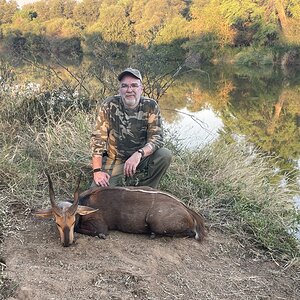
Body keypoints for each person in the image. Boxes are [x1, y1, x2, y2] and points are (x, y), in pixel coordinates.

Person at [90, 67, 172, 188]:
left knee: (164, 154)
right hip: (114, 161)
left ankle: (146, 189)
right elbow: (98, 139)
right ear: (120, 89)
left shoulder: (150, 105)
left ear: (141, 89)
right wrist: (97, 172)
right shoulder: (109, 105)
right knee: (96, 195)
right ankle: (119, 181)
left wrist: (139, 154)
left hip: (140, 158)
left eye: (134, 85)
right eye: (125, 86)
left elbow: (157, 138)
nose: (129, 90)